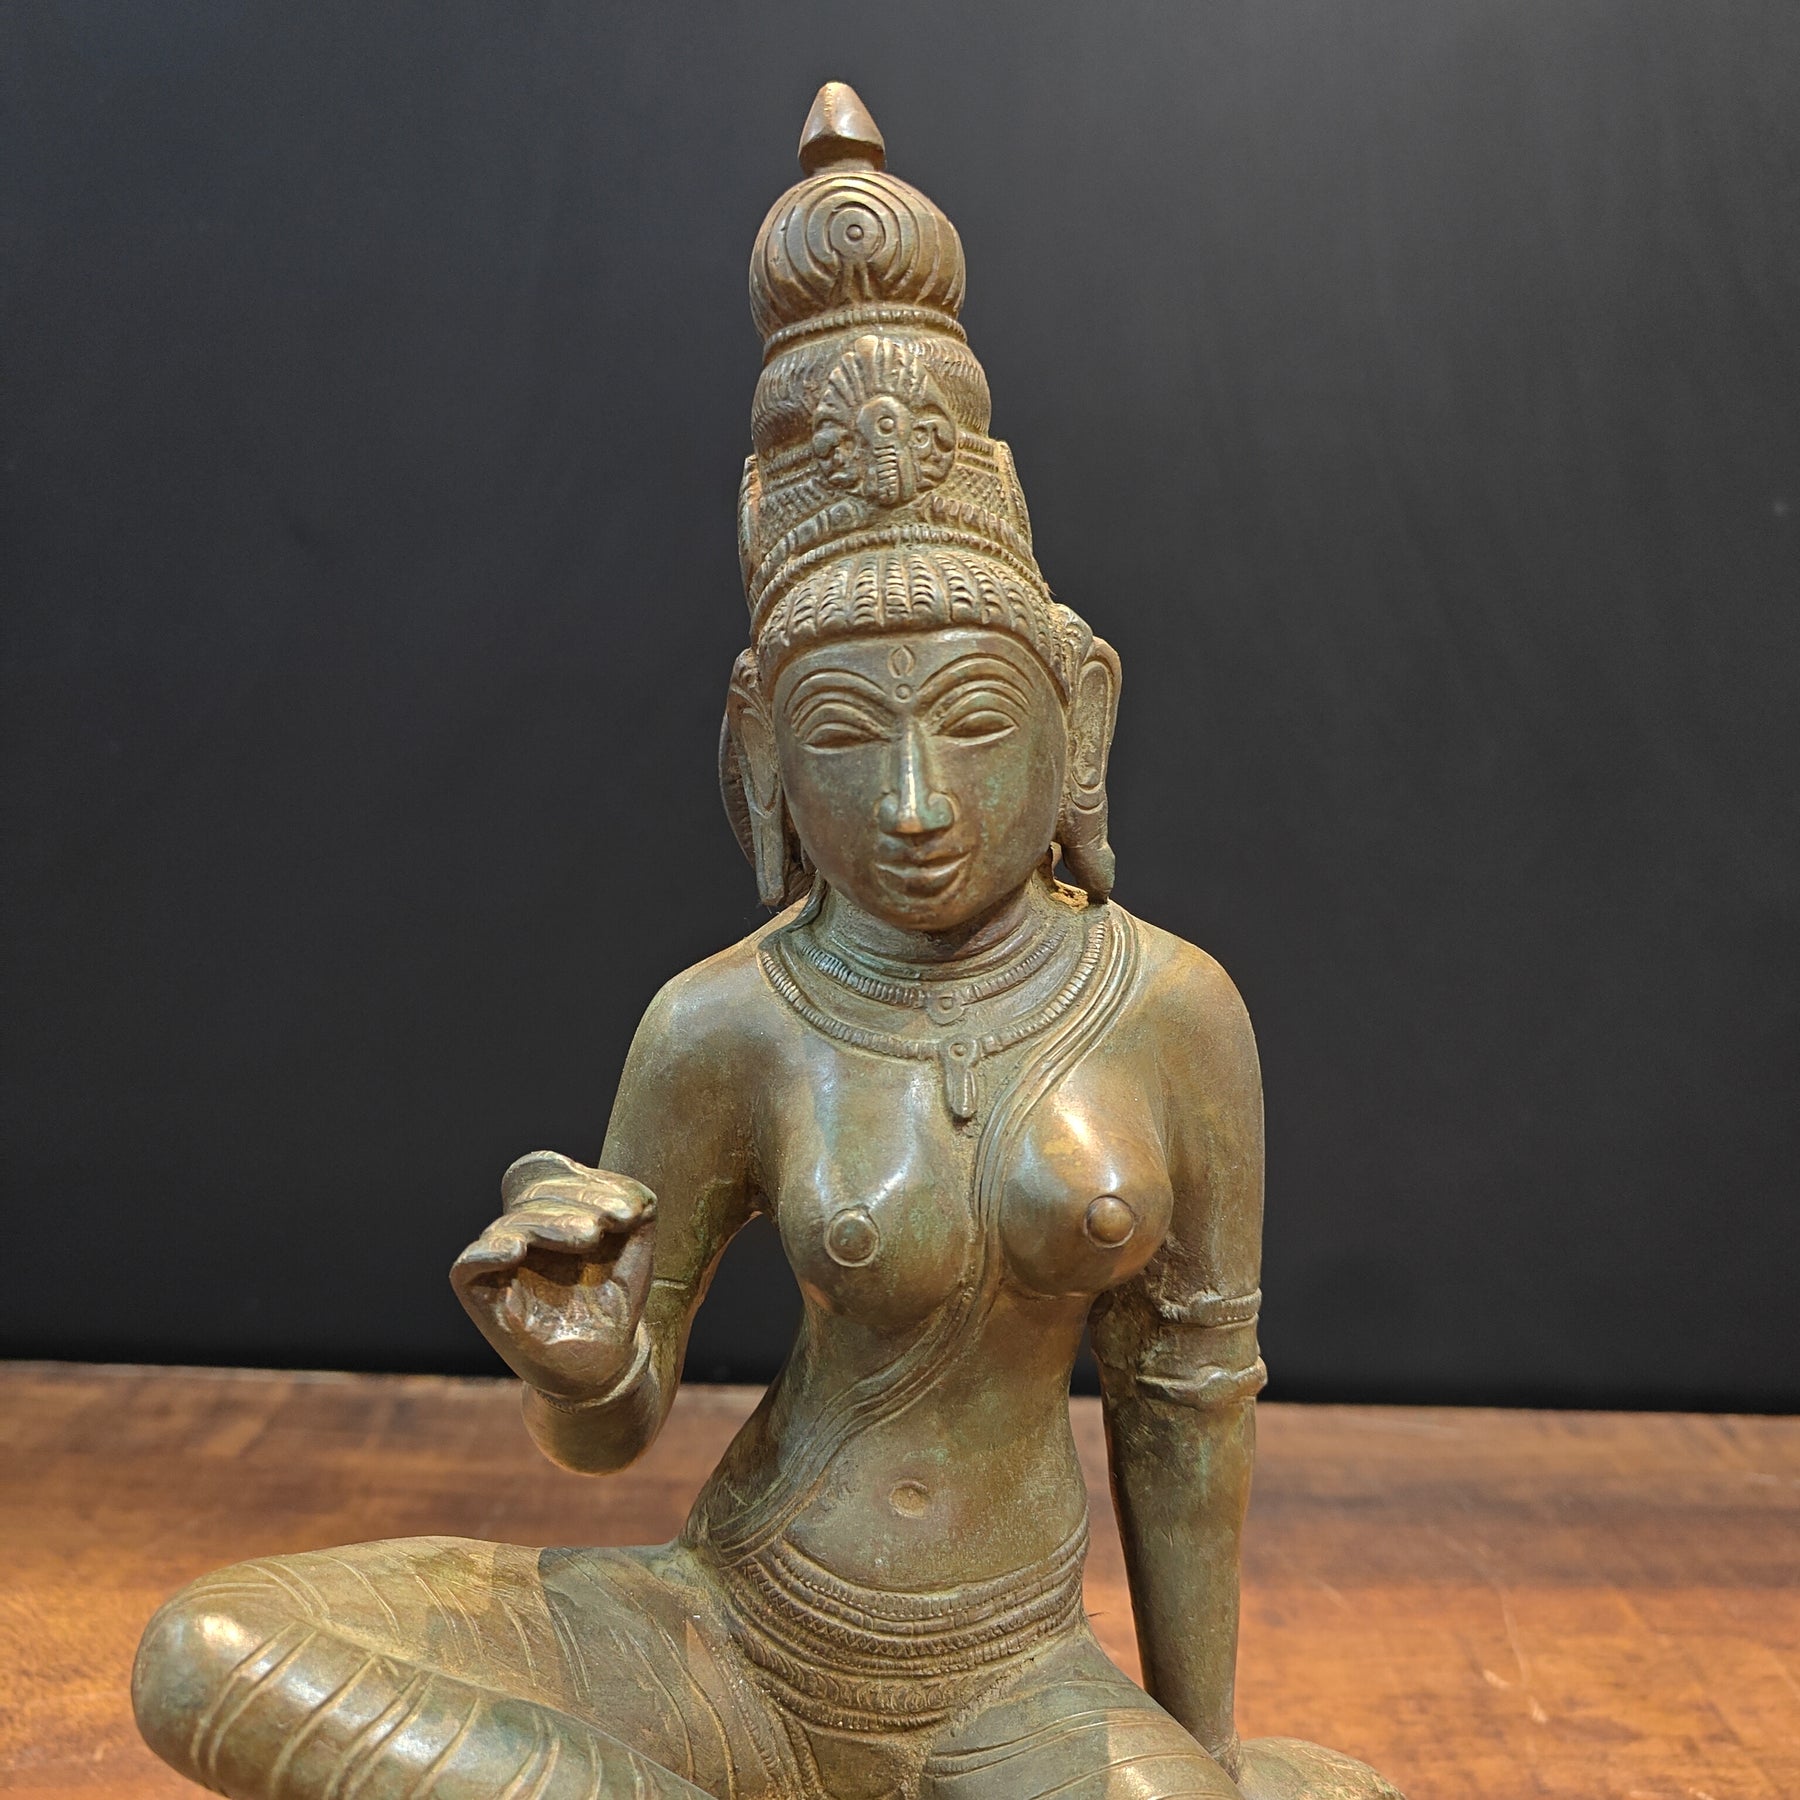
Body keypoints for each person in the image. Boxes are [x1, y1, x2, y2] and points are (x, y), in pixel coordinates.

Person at [133, 83, 1403, 1800]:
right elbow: (612, 1433)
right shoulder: (726, 1023)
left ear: (1080, 719)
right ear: (758, 760)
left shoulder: (1170, 1011)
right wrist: (580, 1356)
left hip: (1005, 1691)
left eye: (974, 720)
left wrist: (1209, 1752)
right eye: (844, 739)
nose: (915, 803)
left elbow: (1186, 1403)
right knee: (210, 1652)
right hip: (719, 1635)